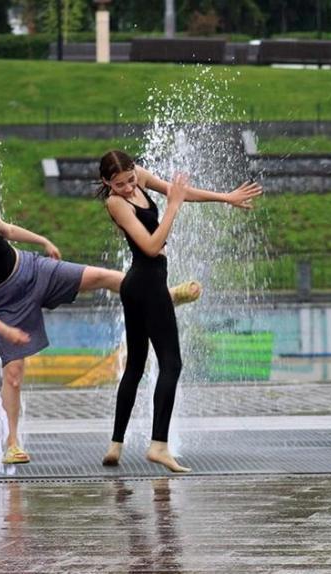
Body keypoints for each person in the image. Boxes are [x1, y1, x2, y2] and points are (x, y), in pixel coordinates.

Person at [0, 186, 199, 465]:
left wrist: (43, 241)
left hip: (33, 271)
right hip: (5, 305)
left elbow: (10, 231)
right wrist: (3, 328)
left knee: (102, 276)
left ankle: (163, 295)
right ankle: (12, 443)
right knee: (13, 373)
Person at [97, 150, 262, 472]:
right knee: (171, 363)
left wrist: (224, 197)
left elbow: (180, 193)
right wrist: (171, 208)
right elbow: (151, 245)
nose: (128, 188)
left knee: (136, 365)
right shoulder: (115, 203)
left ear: (134, 171)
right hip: (145, 285)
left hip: (138, 286)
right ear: (106, 182)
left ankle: (115, 445)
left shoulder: (138, 178)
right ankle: (158, 445)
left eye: (131, 180)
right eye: (119, 184)